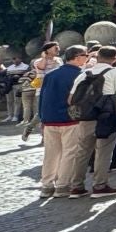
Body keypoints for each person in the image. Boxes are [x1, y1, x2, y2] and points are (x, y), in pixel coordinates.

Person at [66, 49, 116, 197]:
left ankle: (76, 186)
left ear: (97, 57)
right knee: (103, 151)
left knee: (82, 152)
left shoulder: (84, 74)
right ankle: (100, 186)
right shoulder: (115, 72)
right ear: (114, 59)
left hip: (86, 118)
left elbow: (71, 99)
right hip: (106, 118)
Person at [36, 47, 88, 197]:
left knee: (51, 154)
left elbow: (42, 98)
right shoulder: (80, 75)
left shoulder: (51, 75)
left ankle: (46, 185)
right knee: (69, 152)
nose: (87, 58)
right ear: (77, 57)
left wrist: (42, 118)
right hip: (69, 119)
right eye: (85, 55)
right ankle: (62, 185)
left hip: (50, 119)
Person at [21, 42, 59, 141]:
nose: (58, 49)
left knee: (53, 113)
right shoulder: (38, 61)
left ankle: (45, 136)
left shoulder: (59, 60)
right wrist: (45, 58)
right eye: (55, 47)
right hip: (43, 90)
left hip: (57, 90)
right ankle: (29, 128)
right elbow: (41, 67)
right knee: (41, 113)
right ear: (47, 50)